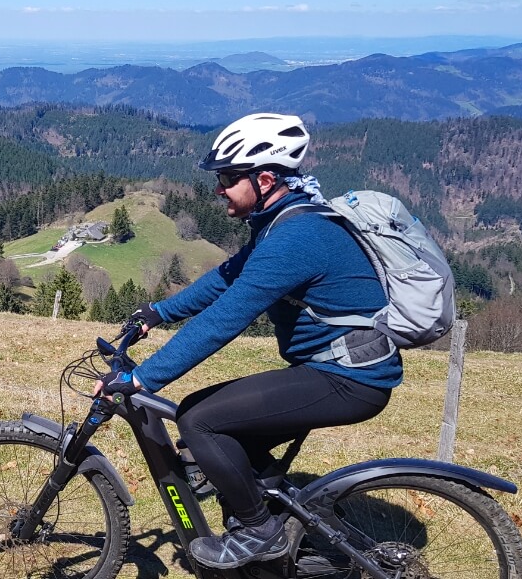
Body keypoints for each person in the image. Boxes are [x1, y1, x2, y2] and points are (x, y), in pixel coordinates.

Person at [94, 113, 403, 569]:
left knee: (200, 421)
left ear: (263, 178)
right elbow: (227, 276)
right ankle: (280, 528)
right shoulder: (282, 218)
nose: (219, 189)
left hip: (348, 380)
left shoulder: (296, 236)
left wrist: (142, 379)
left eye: (227, 178)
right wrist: (159, 312)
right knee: (219, 430)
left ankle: (260, 532)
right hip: (331, 370)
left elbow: (225, 318)